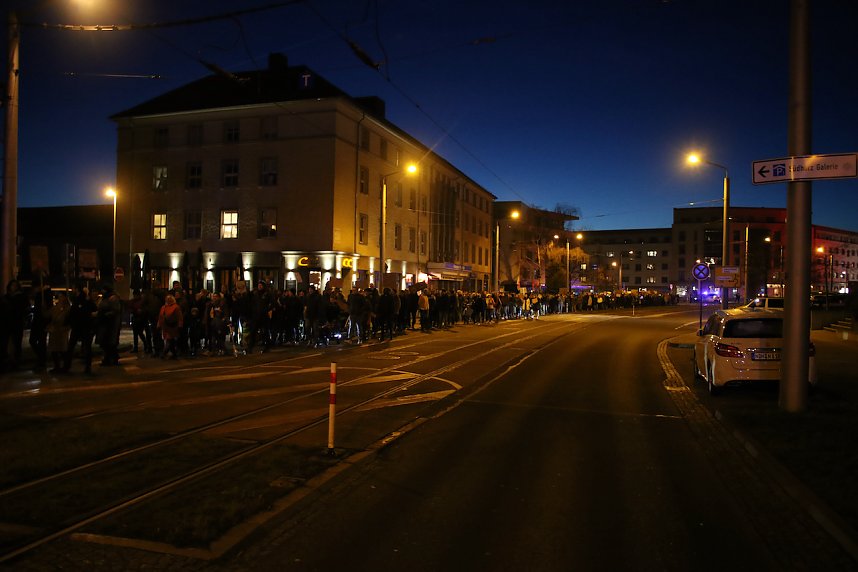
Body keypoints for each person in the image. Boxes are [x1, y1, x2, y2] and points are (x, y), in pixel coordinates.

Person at [64, 286, 97, 374]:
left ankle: (67, 366)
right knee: (87, 347)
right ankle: (87, 367)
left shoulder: (78, 301)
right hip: (85, 326)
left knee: (71, 347)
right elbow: (94, 311)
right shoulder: (87, 301)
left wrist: (69, 322)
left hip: (78, 327)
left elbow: (73, 313)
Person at [96, 286, 122, 366]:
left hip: (111, 323)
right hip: (104, 323)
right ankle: (109, 358)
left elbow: (115, 311)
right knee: (105, 342)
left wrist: (105, 314)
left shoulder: (113, 298)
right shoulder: (104, 298)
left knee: (110, 342)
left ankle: (111, 359)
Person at [47, 291, 71, 374]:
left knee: (62, 350)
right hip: (55, 330)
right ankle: (57, 366)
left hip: (62, 330)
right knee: (54, 350)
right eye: (59, 296)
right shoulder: (55, 307)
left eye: (62, 296)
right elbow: (48, 315)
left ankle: (65, 367)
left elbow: (68, 320)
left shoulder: (67, 308)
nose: (60, 298)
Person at [157, 294, 184, 359]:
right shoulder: (163, 307)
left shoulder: (176, 307)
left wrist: (180, 325)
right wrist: (159, 324)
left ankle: (164, 353)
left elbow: (180, 317)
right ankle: (174, 354)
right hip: (165, 326)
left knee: (169, 340)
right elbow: (160, 317)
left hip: (172, 326)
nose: (167, 300)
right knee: (170, 340)